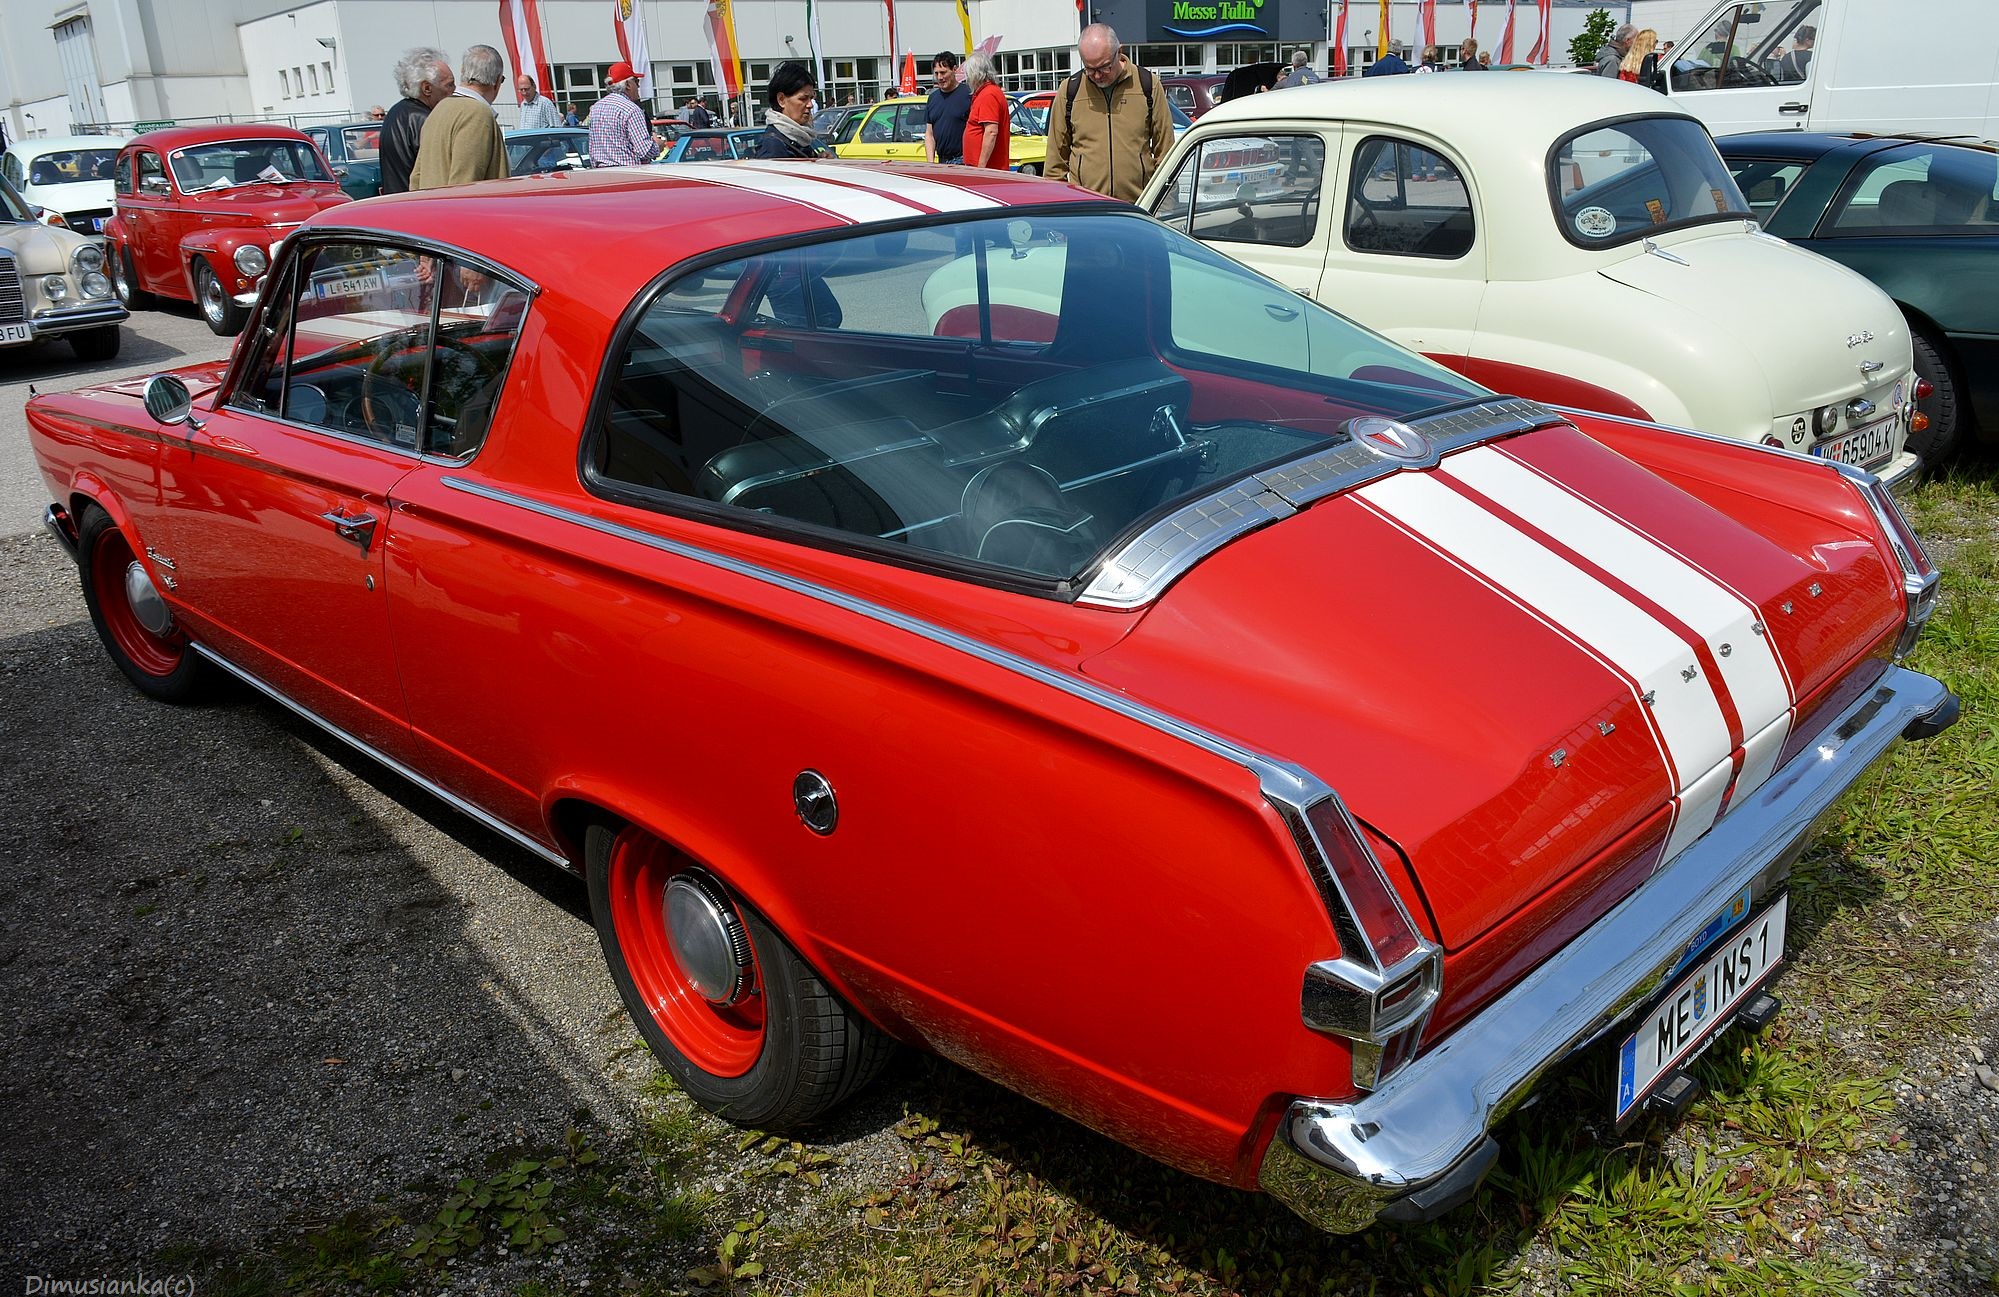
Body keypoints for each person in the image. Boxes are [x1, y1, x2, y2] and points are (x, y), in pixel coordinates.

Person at [1044, 24, 1173, 202]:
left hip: (1138, 207)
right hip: (1086, 209)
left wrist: (1164, 208)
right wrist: (1057, 210)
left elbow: (1165, 153)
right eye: (1089, 69)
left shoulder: (1147, 85)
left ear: (1119, 52)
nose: (1097, 76)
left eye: (1104, 67)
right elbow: (1055, 162)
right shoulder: (1070, 90)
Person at [412, 45, 509, 189]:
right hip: (462, 209)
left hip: (430, 207)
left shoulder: (439, 110)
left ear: (463, 72)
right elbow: (464, 184)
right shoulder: (477, 114)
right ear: (497, 81)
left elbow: (416, 178)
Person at [380, 47, 454, 195]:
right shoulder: (427, 120)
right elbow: (438, 173)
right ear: (427, 88)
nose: (454, 90)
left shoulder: (394, 112)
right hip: (421, 204)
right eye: (449, 85)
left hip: (397, 204)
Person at [588, 61, 655, 167]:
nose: (638, 86)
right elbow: (645, 151)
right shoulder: (631, 109)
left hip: (600, 172)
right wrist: (657, 145)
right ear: (628, 85)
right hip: (628, 173)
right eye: (636, 81)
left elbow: (592, 148)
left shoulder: (596, 108)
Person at [753, 60, 822, 159]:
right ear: (781, 100)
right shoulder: (774, 148)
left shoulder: (799, 138)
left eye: (811, 98)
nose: (810, 105)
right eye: (803, 99)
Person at [961, 53, 1009, 170]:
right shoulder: (986, 92)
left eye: (968, 75)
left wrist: (981, 167)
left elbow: (991, 132)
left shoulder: (988, 94)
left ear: (975, 75)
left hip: (987, 168)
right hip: (982, 167)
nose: (967, 80)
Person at [922, 50, 971, 164]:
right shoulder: (932, 98)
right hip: (942, 161)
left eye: (943, 72)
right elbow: (929, 133)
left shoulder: (968, 94)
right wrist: (930, 162)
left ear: (954, 70)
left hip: (963, 159)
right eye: (936, 73)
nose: (940, 77)